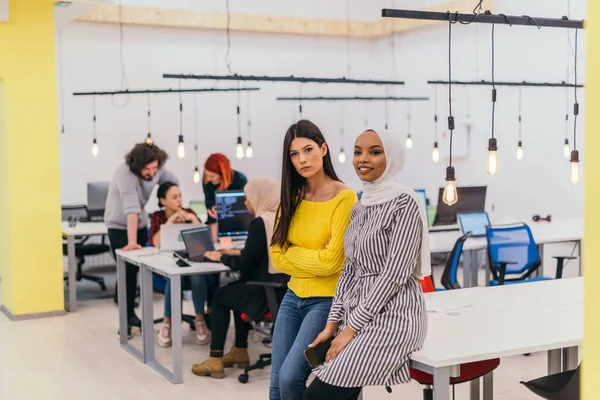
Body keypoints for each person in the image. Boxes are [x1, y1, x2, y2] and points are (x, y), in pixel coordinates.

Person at [303, 129, 431, 400]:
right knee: (320, 381)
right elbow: (350, 269)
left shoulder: (404, 202)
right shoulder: (360, 207)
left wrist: (349, 330)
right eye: (358, 152)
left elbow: (394, 276)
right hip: (357, 314)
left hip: (394, 317)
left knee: (320, 395)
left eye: (375, 152)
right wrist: (333, 322)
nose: (363, 159)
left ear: (392, 158)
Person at [269, 120, 358, 400]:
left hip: (326, 302)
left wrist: (292, 251)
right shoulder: (292, 195)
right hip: (292, 296)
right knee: (275, 384)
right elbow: (276, 257)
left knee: (290, 377)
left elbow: (333, 262)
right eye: (294, 154)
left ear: (323, 148)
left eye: (308, 150)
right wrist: (313, 256)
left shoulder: (344, 197)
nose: (302, 159)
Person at [191, 177, 289, 379]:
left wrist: (220, 256)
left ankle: (215, 359)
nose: (246, 203)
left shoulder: (260, 223)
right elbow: (261, 254)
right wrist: (235, 254)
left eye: (248, 198)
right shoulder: (282, 219)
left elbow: (244, 264)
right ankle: (240, 351)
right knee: (236, 289)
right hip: (283, 291)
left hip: (265, 294)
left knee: (220, 296)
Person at [105, 143, 179, 336]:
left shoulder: (157, 168)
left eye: (155, 168)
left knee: (135, 273)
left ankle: (131, 314)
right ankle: (126, 319)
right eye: (147, 169)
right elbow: (131, 210)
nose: (152, 173)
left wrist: (172, 204)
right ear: (137, 166)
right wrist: (131, 242)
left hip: (139, 224)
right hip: (119, 226)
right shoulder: (125, 175)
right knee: (126, 273)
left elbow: (173, 183)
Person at [149, 181, 210, 347]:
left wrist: (192, 219)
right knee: (173, 277)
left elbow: (204, 240)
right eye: (174, 197)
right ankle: (167, 322)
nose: (179, 200)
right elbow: (155, 242)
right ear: (163, 201)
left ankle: (199, 320)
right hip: (167, 264)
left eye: (180, 196)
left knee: (197, 275)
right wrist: (170, 222)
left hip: (191, 261)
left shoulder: (189, 213)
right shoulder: (157, 216)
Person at [203, 153, 248, 242]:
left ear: (222, 175)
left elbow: (244, 210)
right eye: (206, 175)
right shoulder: (207, 181)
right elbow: (210, 210)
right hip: (216, 227)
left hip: (238, 228)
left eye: (212, 176)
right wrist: (214, 243)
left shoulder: (240, 180)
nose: (208, 179)